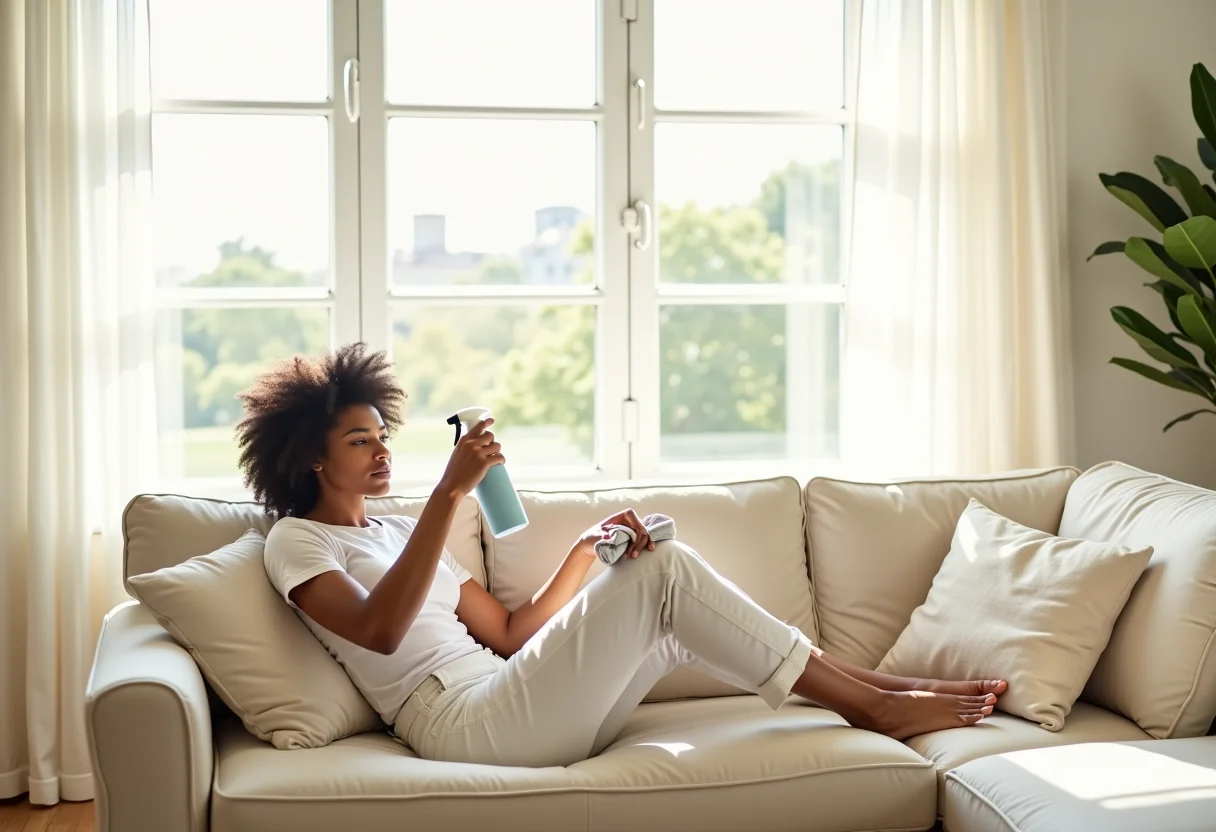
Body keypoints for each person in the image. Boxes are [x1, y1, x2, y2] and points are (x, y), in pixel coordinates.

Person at [237, 343, 1007, 768]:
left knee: (653, 577)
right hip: (462, 725)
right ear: (310, 457)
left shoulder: (398, 532)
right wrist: (448, 495)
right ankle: (876, 705)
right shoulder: (296, 541)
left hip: (512, 693)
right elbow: (379, 630)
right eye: (358, 441)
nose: (380, 454)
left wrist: (584, 553)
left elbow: (508, 633)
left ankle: (882, 686)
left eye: (382, 437)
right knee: (666, 575)